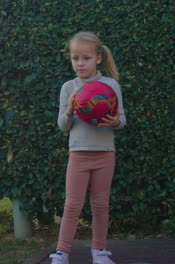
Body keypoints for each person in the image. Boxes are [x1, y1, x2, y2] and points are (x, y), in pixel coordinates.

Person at [49, 31, 126, 264]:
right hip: (78, 154)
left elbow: (122, 119)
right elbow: (63, 125)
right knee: (72, 204)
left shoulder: (110, 86)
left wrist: (116, 122)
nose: (80, 63)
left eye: (86, 58)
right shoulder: (68, 87)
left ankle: (99, 252)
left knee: (101, 204)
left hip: (104, 154)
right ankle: (62, 253)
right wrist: (71, 110)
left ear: (98, 58)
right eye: (75, 58)